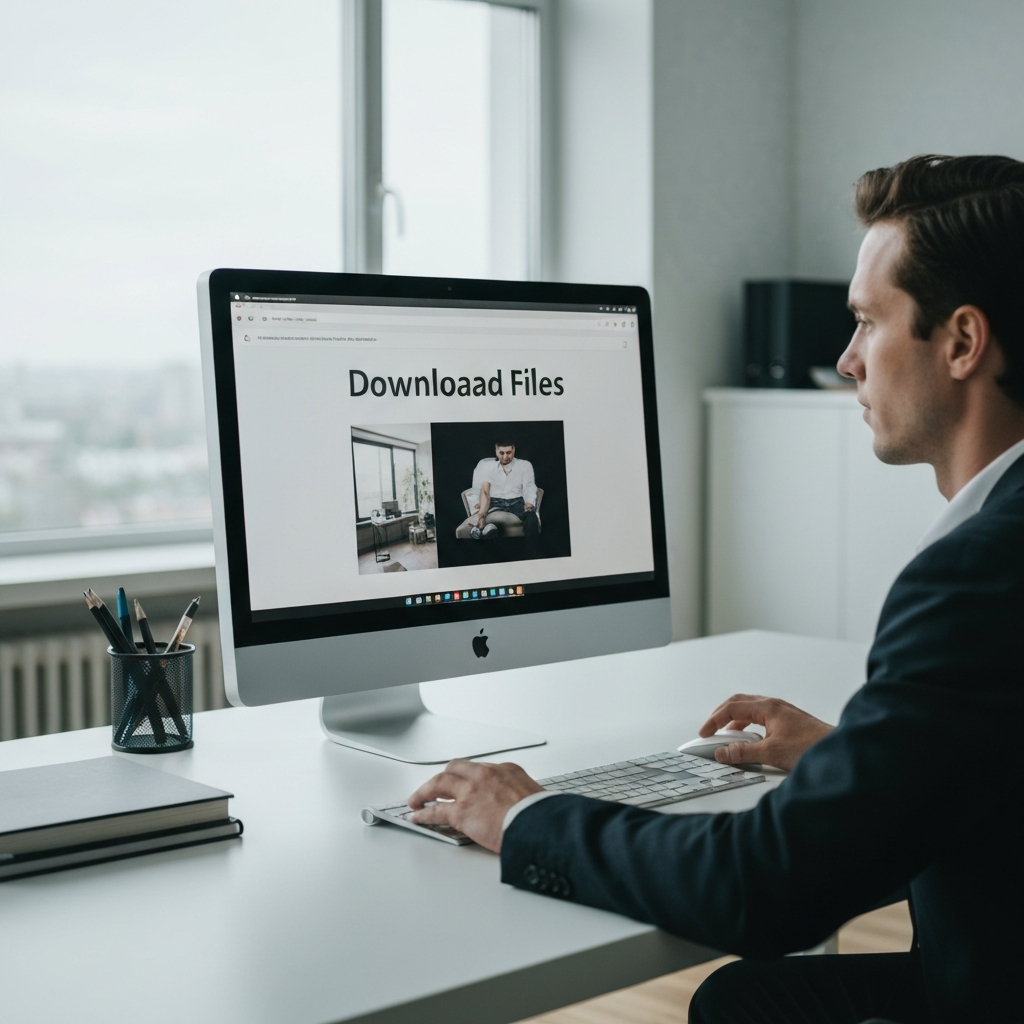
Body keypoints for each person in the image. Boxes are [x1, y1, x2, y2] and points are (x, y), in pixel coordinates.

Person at [406, 155, 1024, 1024]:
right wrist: (865, 765)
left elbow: (764, 887)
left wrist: (527, 817)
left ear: (961, 342)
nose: (846, 360)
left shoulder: (979, 573)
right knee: (747, 1000)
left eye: (866, 322)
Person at [464, 441, 539, 544]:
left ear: (514, 449)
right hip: (495, 502)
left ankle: (532, 553)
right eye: (501, 453)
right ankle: (489, 529)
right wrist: (477, 503)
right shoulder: (486, 465)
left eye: (508, 452)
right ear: (496, 450)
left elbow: (529, 486)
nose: (505, 457)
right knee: (494, 521)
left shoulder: (525, 465)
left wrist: (529, 502)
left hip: (517, 502)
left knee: (531, 517)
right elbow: (481, 490)